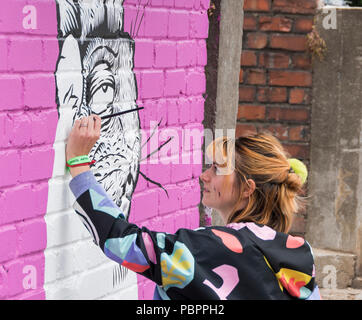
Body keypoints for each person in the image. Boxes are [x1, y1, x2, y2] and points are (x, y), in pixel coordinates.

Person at [66, 115, 321, 300]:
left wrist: (79, 163)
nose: (204, 176)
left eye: (217, 169)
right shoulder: (299, 253)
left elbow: (120, 240)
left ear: (247, 188)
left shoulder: (205, 248)